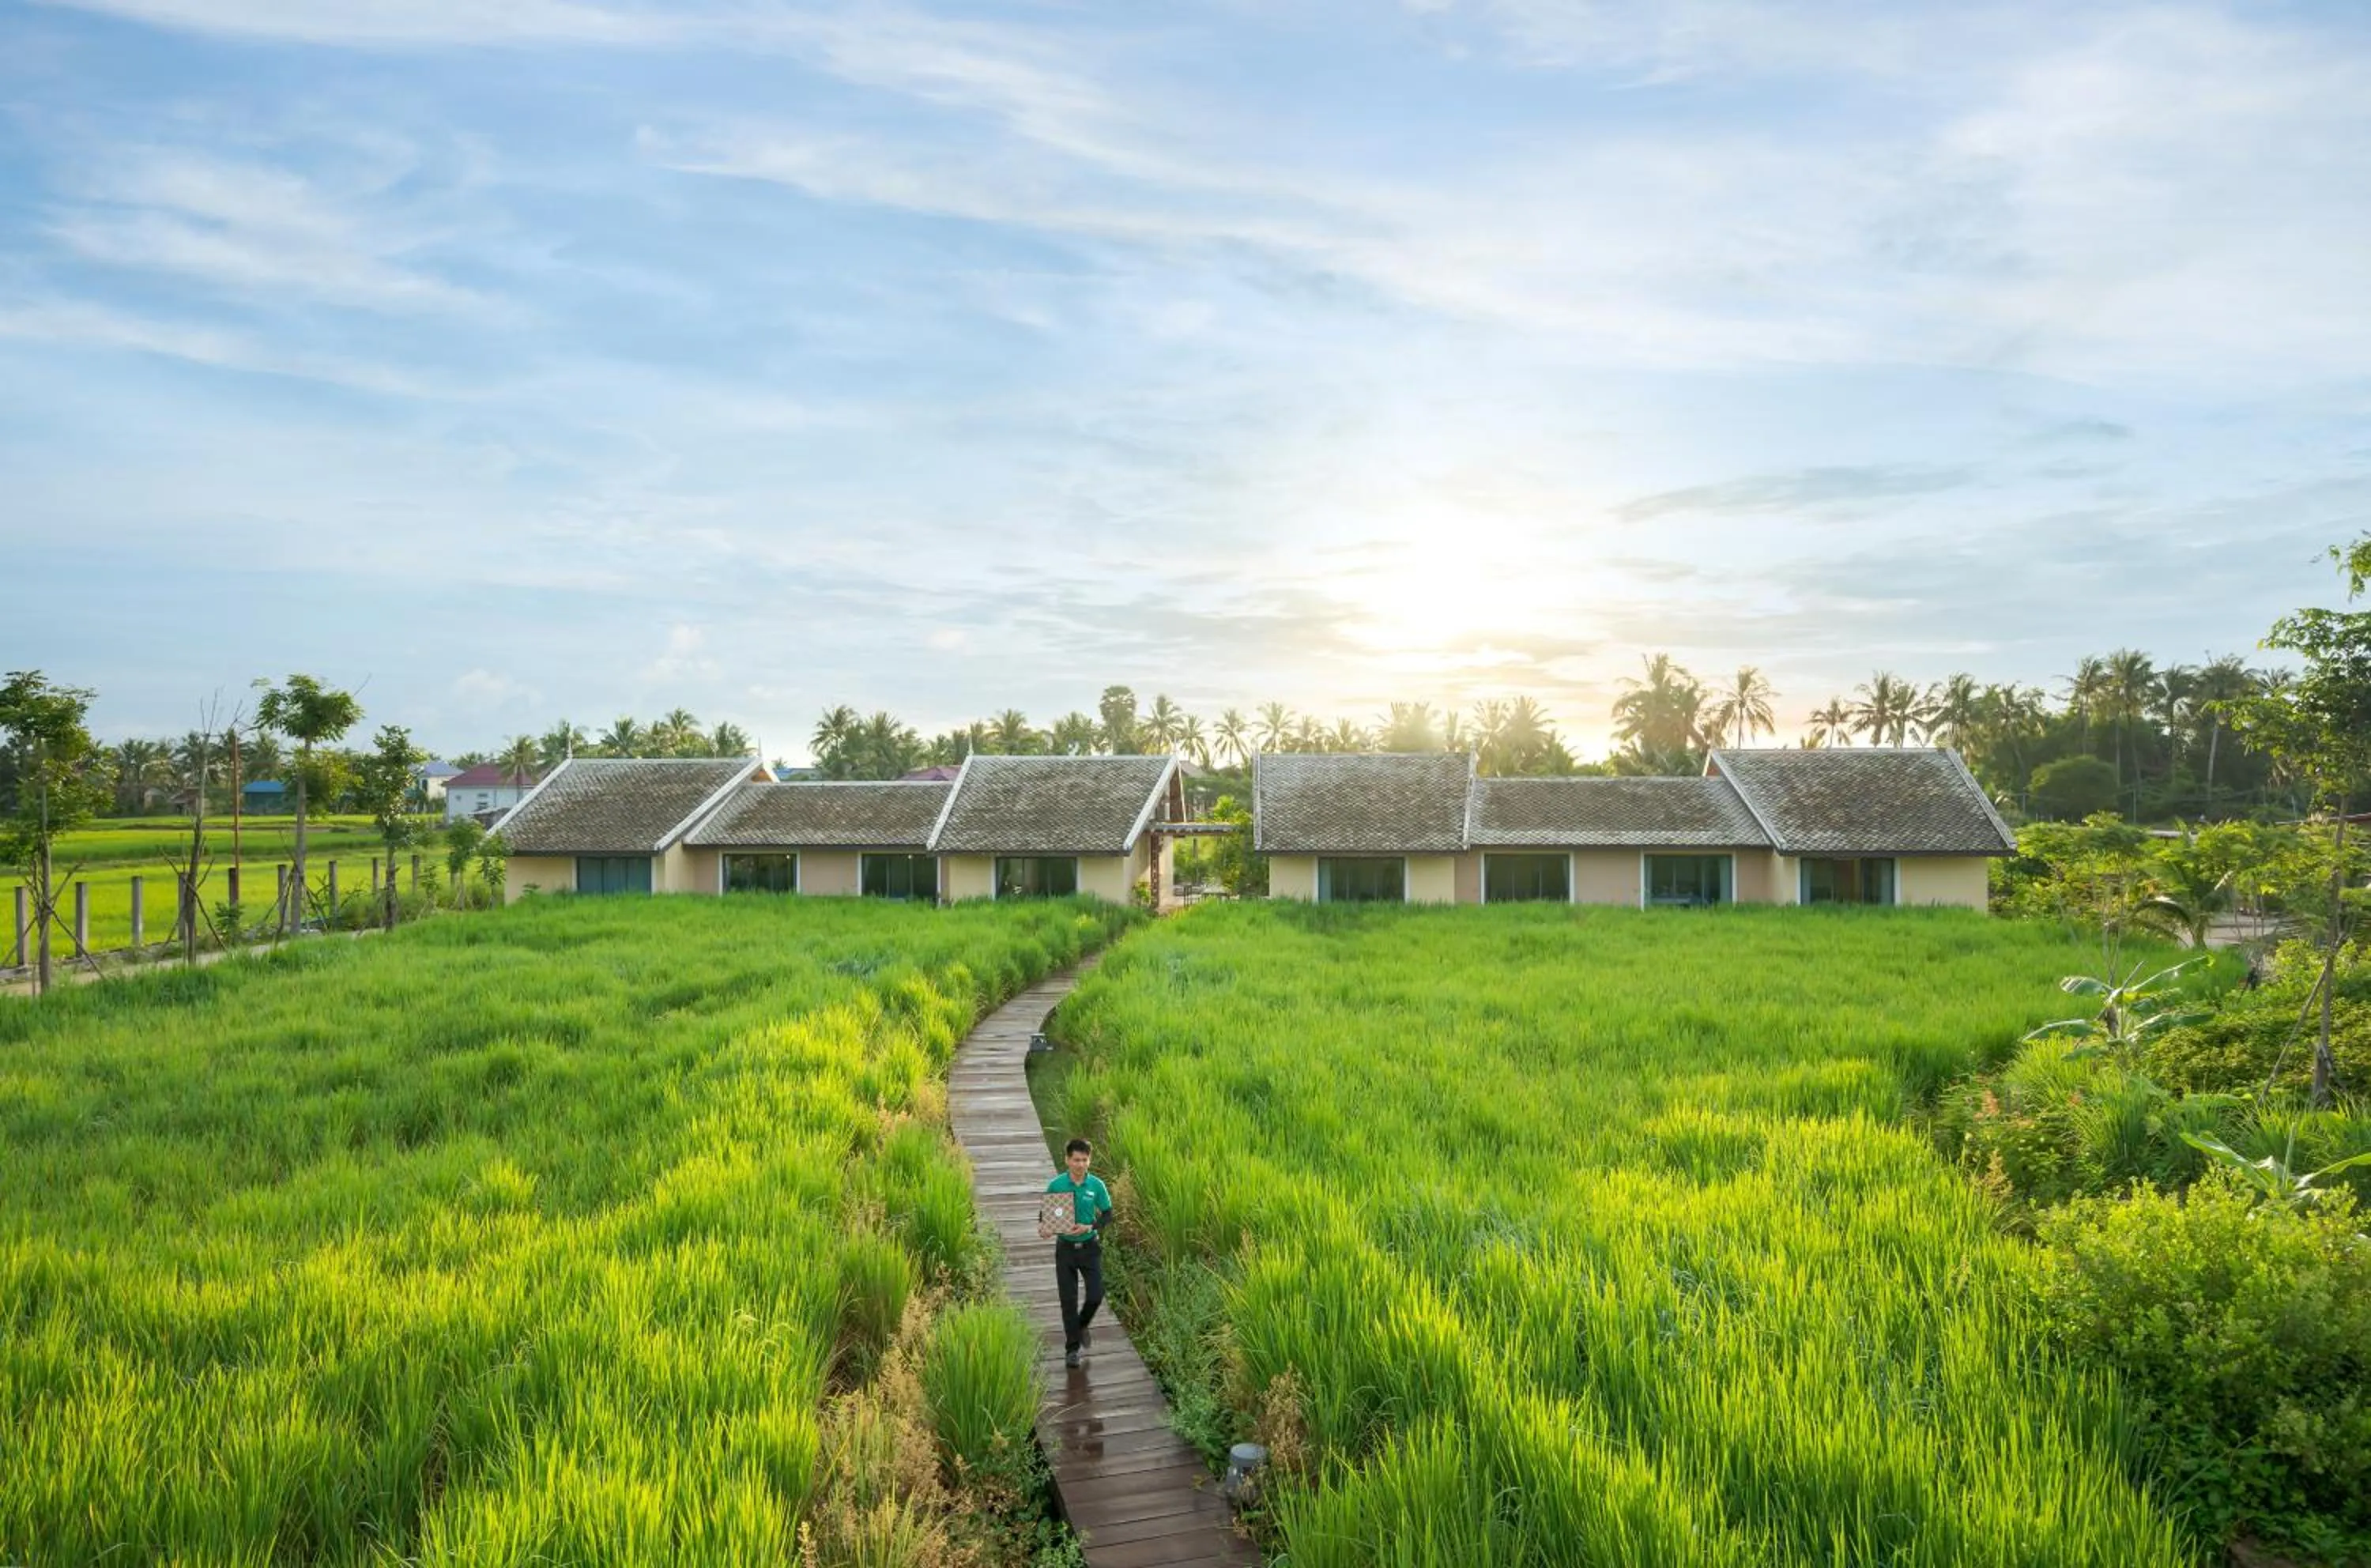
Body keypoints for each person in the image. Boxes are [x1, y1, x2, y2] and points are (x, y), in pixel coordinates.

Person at [1046, 1136, 1112, 1368]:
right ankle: (1072, 1350)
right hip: (1065, 1250)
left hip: (1089, 1247)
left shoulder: (1096, 1186)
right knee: (1068, 1300)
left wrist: (1090, 1226)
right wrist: (1044, 1228)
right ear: (1067, 1160)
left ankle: (1081, 1325)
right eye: (1076, 1160)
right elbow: (1047, 1216)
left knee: (1096, 1295)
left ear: (1089, 1161)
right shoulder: (1056, 1185)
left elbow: (1107, 1215)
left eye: (1085, 1160)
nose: (1080, 1164)